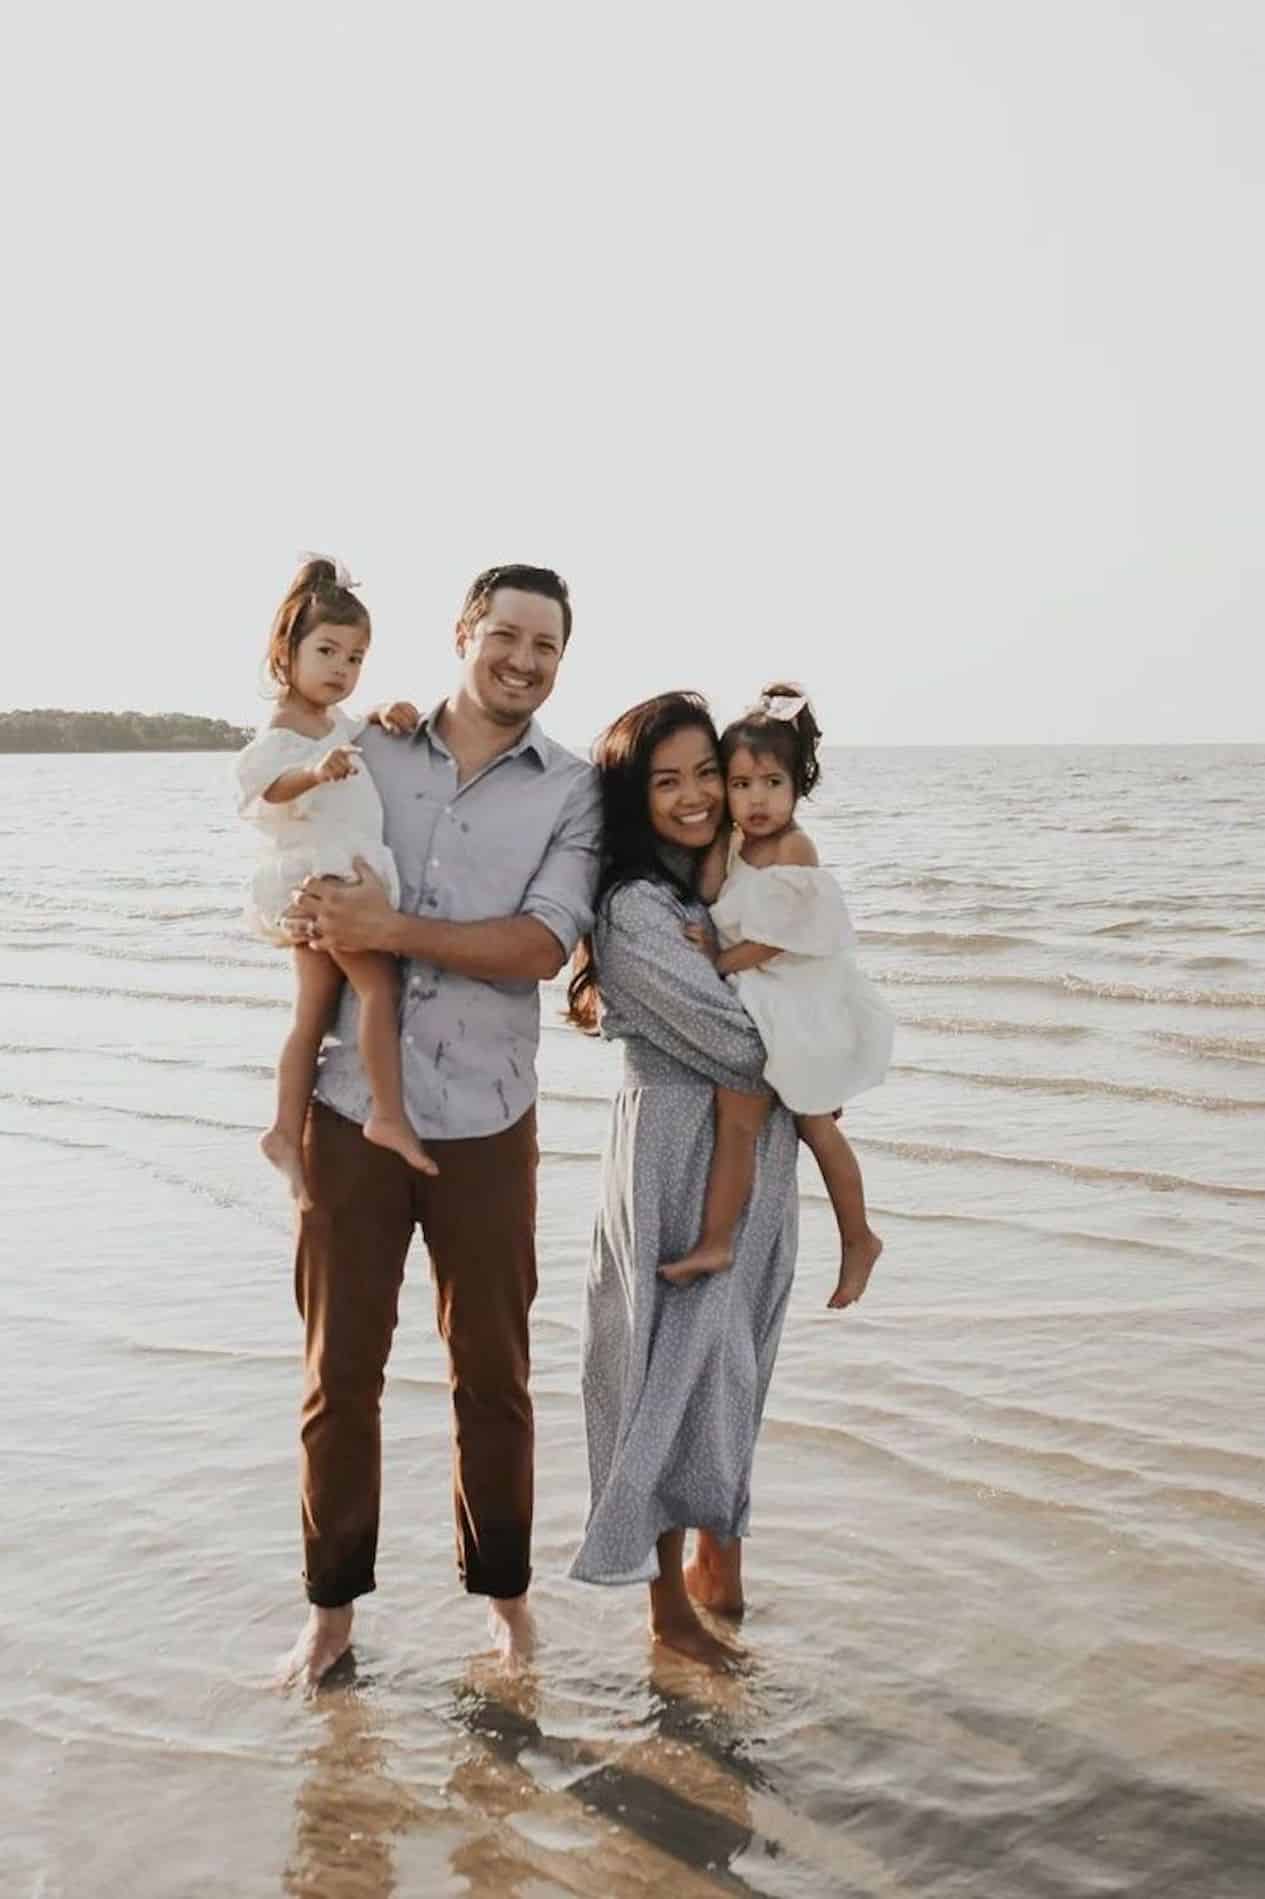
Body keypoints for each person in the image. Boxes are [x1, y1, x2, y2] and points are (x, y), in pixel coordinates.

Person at [278, 564, 601, 1686]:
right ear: (465, 632)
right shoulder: (369, 744)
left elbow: (539, 947)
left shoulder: (571, 793)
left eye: (545, 648)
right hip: (349, 1113)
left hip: (485, 1120)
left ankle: (505, 1606)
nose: (521, 660)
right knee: (339, 1374)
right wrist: (316, 916)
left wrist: (392, 926)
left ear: (560, 663)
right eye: (505, 635)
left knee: (493, 1373)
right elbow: (294, 862)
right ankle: (330, 1616)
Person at [566, 692, 800, 1668]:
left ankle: (722, 1574)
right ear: (633, 795)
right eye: (667, 780)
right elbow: (749, 1045)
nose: (698, 794)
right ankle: (665, 1613)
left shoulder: (723, 884)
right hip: (672, 1151)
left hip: (751, 1154)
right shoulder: (630, 910)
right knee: (661, 1367)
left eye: (709, 770)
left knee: (733, 1360)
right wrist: (809, 1034)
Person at [661, 685, 893, 1304]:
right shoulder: (740, 843)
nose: (755, 799)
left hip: (792, 997)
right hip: (756, 995)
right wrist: (719, 835)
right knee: (736, 1120)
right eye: (739, 785)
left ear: (798, 784)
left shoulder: (795, 848)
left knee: (818, 1126)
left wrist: (715, 959)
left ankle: (859, 1237)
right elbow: (711, 890)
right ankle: (717, 1239)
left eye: (770, 782)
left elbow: (776, 939)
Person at [234, 556, 437, 1206]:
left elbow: (359, 733)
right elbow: (269, 785)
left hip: (330, 875)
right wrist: (316, 772)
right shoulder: (281, 734)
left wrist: (384, 711)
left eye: (354, 658)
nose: (340, 669)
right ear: (284, 651)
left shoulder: (335, 725)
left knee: (312, 1011)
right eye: (326, 651)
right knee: (378, 988)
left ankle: (284, 1131)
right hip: (329, 879)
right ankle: (388, 1114)